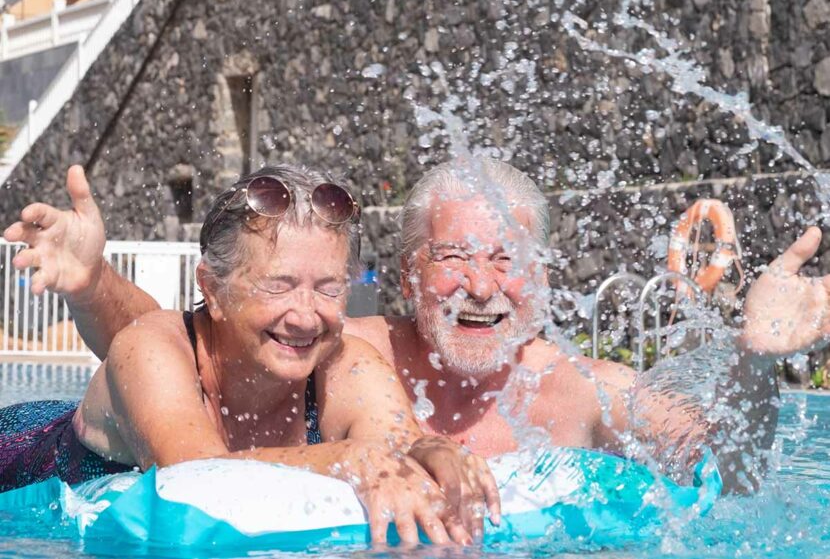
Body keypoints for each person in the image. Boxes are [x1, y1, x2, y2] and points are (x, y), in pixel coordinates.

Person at [5, 159, 827, 492]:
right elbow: (190, 348)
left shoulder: (578, 391)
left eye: (507, 260)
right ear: (406, 277)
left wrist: (757, 363)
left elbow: (731, 469)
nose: (481, 285)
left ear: (540, 280)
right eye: (454, 257)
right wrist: (94, 284)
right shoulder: (348, 340)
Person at [0, 165, 500, 546]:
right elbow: (194, 475)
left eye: (327, 289)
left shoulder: (345, 361)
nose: (305, 316)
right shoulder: (150, 348)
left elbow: (395, 449)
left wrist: (430, 452)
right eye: (277, 286)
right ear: (212, 290)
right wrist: (347, 458)